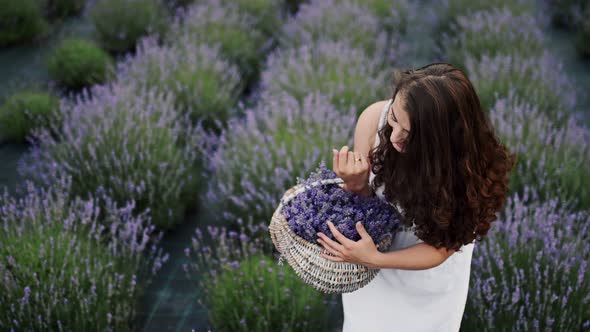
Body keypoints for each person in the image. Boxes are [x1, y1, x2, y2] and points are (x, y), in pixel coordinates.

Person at [316, 63, 517, 332]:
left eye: (409, 134)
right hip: (373, 263)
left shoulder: (465, 171)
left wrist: (376, 259)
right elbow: (364, 206)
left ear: (440, 141)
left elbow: (440, 249)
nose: (395, 135)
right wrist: (356, 183)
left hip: (425, 279)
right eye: (395, 119)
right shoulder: (373, 118)